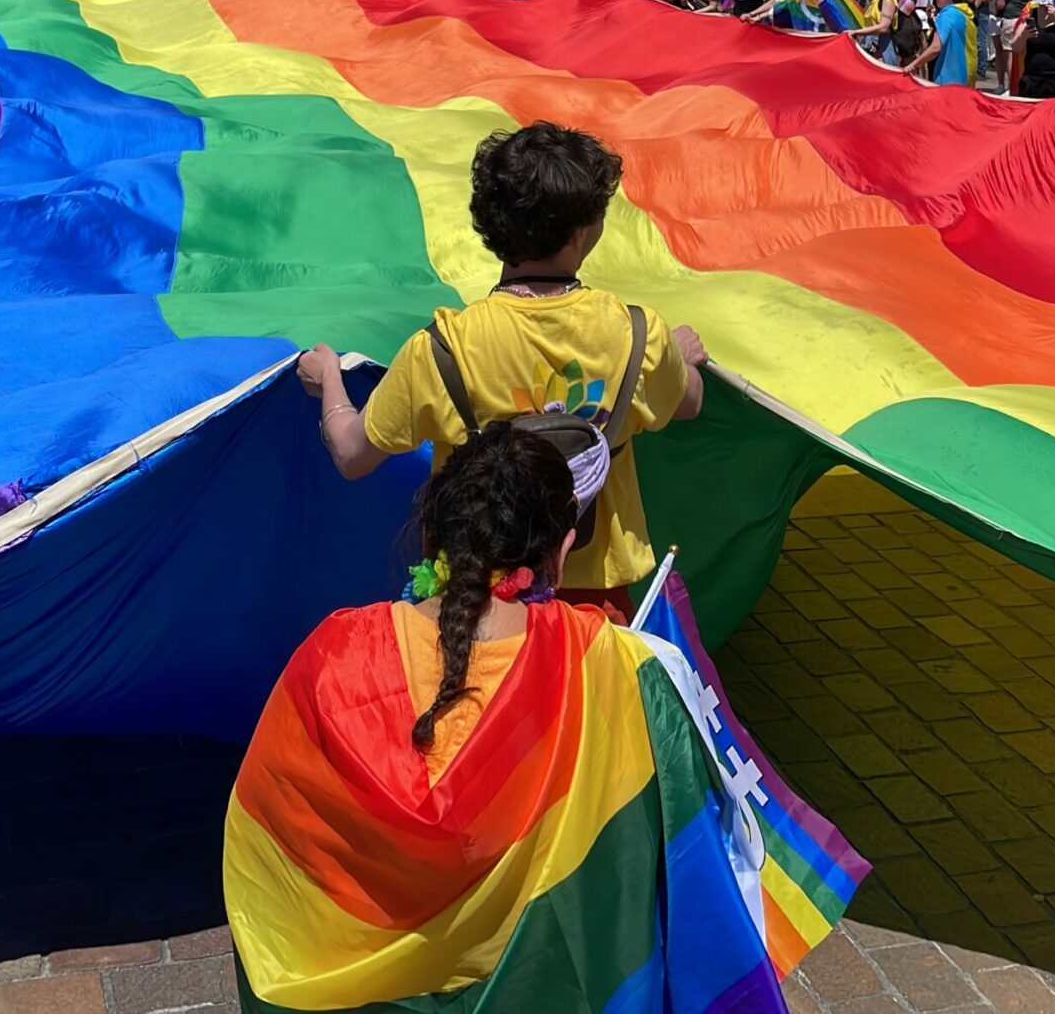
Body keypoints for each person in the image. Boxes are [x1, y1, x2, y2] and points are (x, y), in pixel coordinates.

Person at [225, 424, 780, 1014]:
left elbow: (269, 843)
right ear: (560, 552)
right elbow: (677, 858)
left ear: (434, 535)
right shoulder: (612, 669)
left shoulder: (331, 656)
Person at [297, 122, 705, 614]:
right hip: (594, 610)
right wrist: (678, 357)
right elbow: (690, 402)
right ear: (581, 233)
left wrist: (330, 382)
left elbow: (351, 454)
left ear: (491, 227)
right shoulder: (639, 335)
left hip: (471, 605)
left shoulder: (444, 350)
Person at [902, 0, 977, 86]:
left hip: (949, 76)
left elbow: (935, 48)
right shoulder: (964, 14)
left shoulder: (947, 15)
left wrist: (912, 65)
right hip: (966, 73)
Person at [993, 0, 1035, 93]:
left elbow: (1000, 3)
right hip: (1027, 16)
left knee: (1010, 53)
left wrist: (994, 8)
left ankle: (1013, 88)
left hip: (1011, 17)